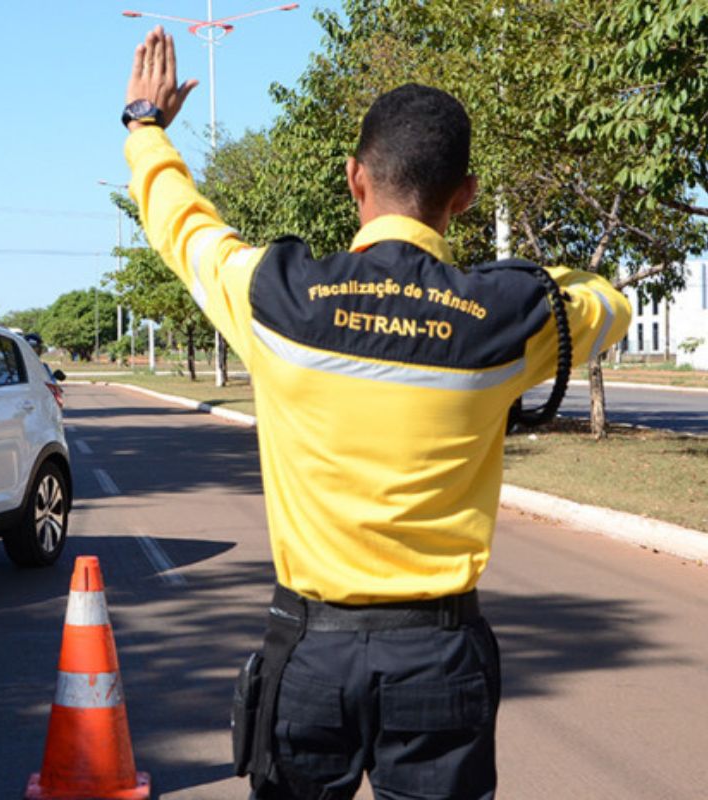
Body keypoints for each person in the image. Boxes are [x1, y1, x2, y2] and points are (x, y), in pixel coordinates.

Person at [119, 27, 630, 800]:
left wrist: (144, 127)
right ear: (464, 195)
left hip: (309, 659)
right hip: (440, 661)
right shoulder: (506, 317)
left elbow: (183, 227)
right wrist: (506, 282)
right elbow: (608, 302)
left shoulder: (275, 295)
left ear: (355, 178)